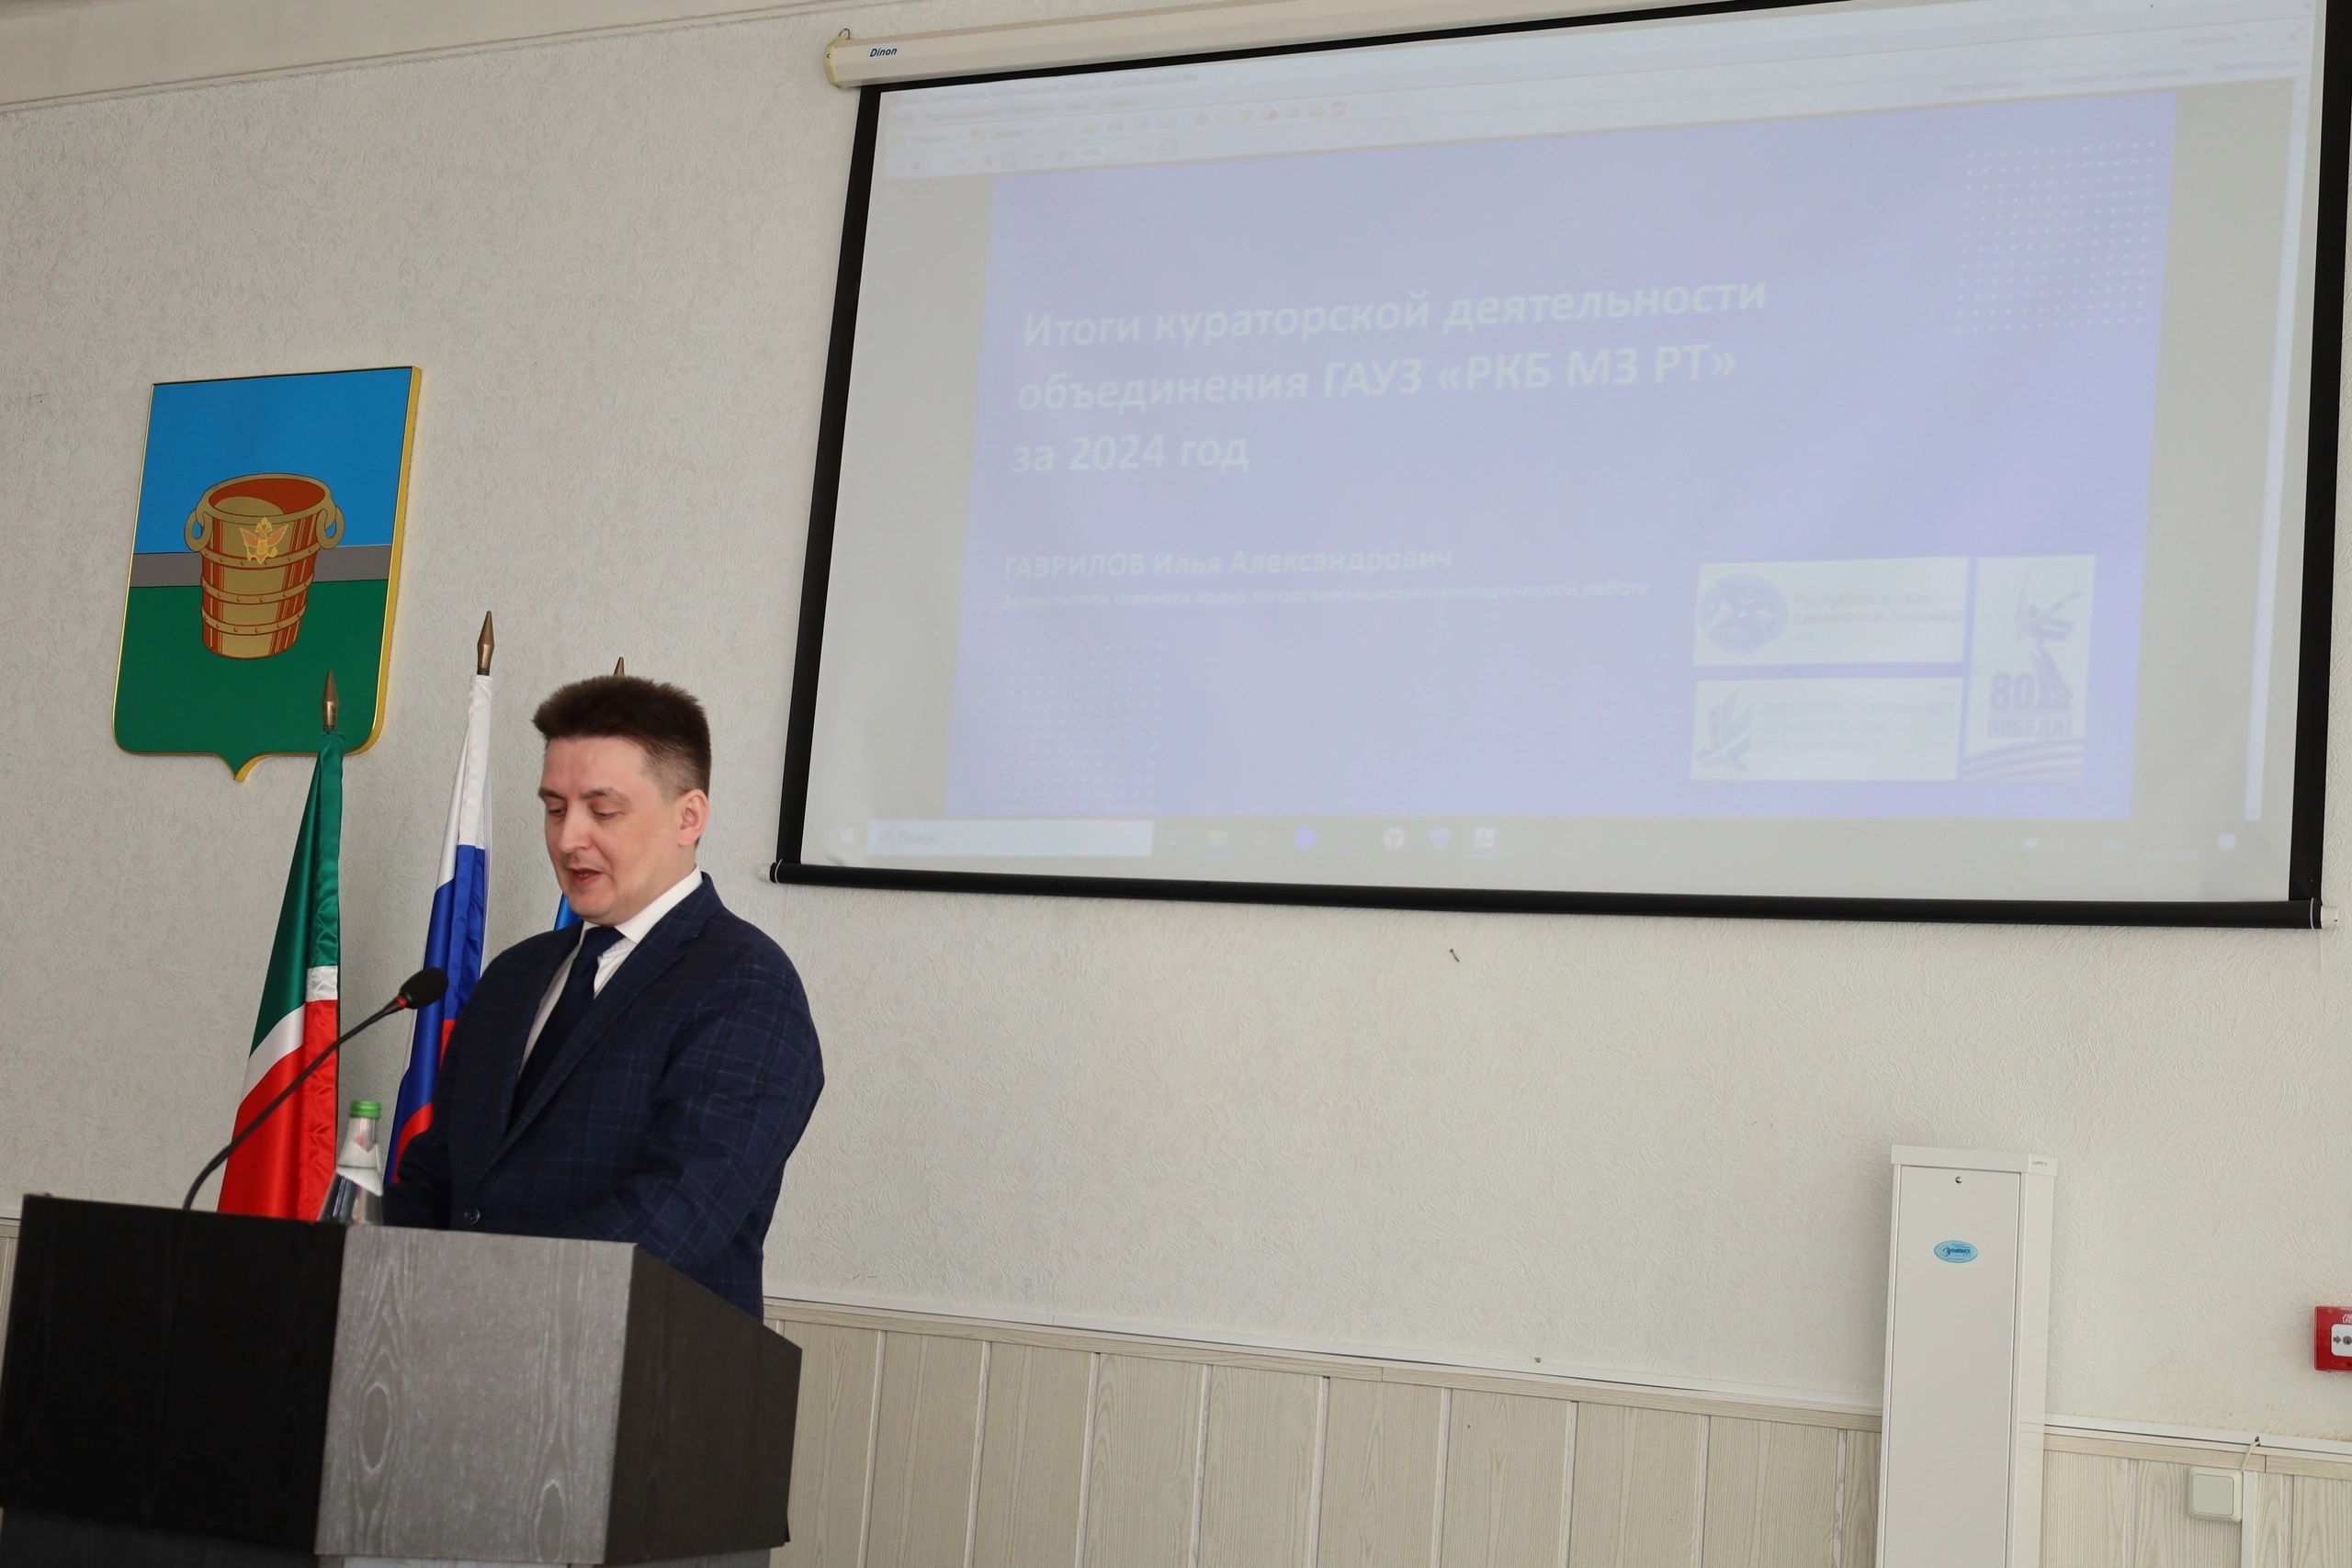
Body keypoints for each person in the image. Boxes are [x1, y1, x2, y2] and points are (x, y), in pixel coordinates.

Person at [386, 674, 822, 1315]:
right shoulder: (514, 976)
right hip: (441, 1342)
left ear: (689, 816)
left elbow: (678, 1212)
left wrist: (483, 1298)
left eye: (603, 811)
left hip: (631, 1355)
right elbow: (439, 1175)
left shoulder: (747, 983)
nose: (568, 839)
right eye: (554, 809)